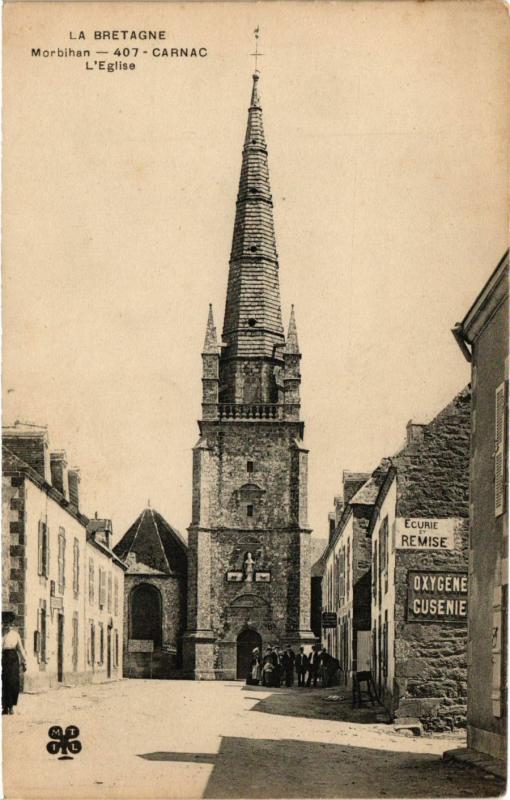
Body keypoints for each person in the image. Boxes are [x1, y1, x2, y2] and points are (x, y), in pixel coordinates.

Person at [2, 611, 27, 715]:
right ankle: (4, 707)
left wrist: (25, 662)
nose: (7, 625)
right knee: (4, 683)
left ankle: (11, 706)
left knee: (12, 683)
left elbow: (20, 649)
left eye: (9, 623)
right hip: (3, 658)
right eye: (5, 623)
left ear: (11, 624)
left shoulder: (15, 635)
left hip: (13, 660)